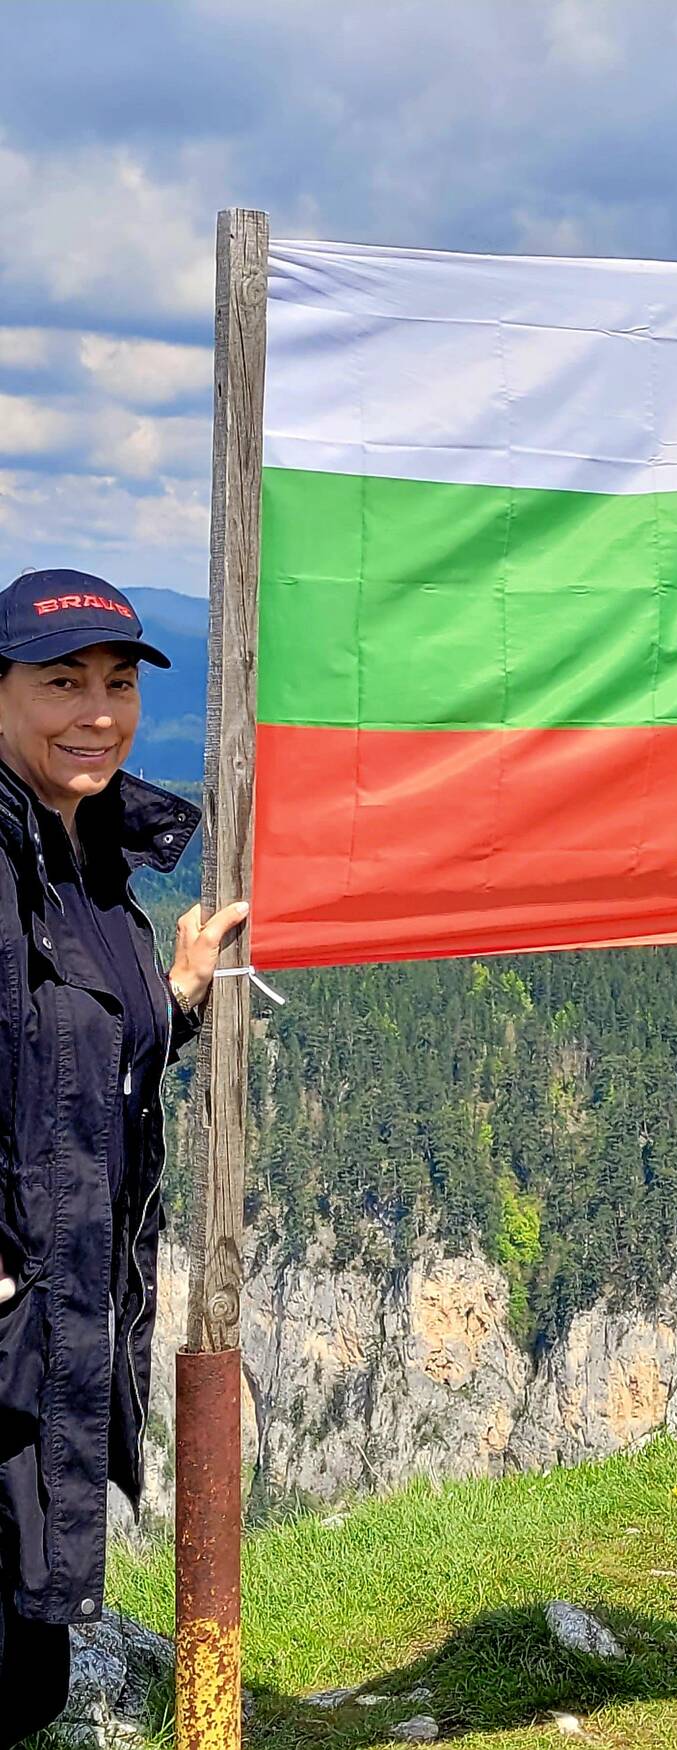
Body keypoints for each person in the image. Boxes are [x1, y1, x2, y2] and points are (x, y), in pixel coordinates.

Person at [0, 569, 246, 1742]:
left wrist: (174, 1002)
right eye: (60, 682)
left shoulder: (86, 855)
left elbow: (67, 1056)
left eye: (115, 683)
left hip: (54, 1328)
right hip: (10, 1326)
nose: (96, 711)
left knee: (28, 1666)